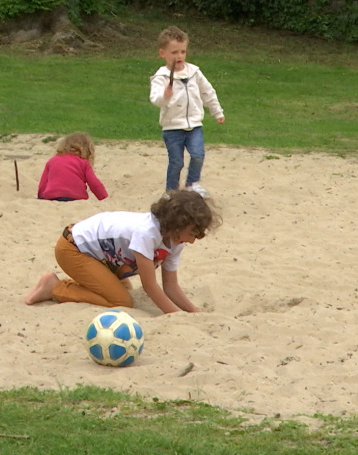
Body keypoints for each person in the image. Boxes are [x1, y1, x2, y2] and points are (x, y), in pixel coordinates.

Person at [24, 190, 221, 314]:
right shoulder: (147, 233)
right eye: (192, 233)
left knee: (123, 289)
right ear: (179, 224)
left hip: (104, 259)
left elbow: (170, 286)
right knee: (121, 301)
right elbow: (150, 285)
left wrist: (193, 312)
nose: (193, 240)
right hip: (73, 248)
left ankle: (81, 283)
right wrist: (175, 316)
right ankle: (54, 287)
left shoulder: (176, 242)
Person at [150, 26, 225, 197]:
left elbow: (208, 92)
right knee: (176, 162)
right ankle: (171, 190)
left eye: (183, 52)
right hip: (172, 128)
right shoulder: (161, 76)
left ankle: (192, 184)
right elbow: (155, 99)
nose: (179, 56)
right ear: (163, 53)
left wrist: (217, 112)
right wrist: (165, 95)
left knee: (198, 155)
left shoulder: (194, 72)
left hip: (194, 125)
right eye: (174, 52)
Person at [37, 132, 108, 201]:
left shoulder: (52, 161)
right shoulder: (83, 163)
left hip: (52, 196)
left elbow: (43, 184)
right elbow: (94, 183)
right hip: (76, 197)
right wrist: (103, 197)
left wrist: (41, 197)